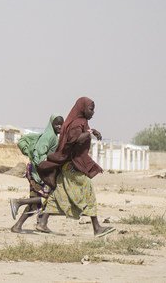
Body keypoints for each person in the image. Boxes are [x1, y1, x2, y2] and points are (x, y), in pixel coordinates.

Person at [36, 97, 114, 237]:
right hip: (72, 165)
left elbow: (81, 135)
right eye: (91, 109)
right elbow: (74, 139)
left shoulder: (81, 122)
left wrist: (92, 131)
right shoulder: (77, 124)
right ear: (82, 108)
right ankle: (96, 227)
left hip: (69, 164)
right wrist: (89, 133)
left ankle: (42, 222)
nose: (93, 112)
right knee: (88, 188)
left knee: (60, 192)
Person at [8, 114, 62, 233]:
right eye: (57, 124)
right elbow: (39, 154)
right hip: (38, 173)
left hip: (38, 172)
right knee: (46, 198)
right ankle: (18, 202)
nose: (59, 126)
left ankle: (19, 226)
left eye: (61, 124)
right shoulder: (49, 137)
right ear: (51, 124)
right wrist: (47, 167)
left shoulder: (53, 136)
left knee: (36, 201)